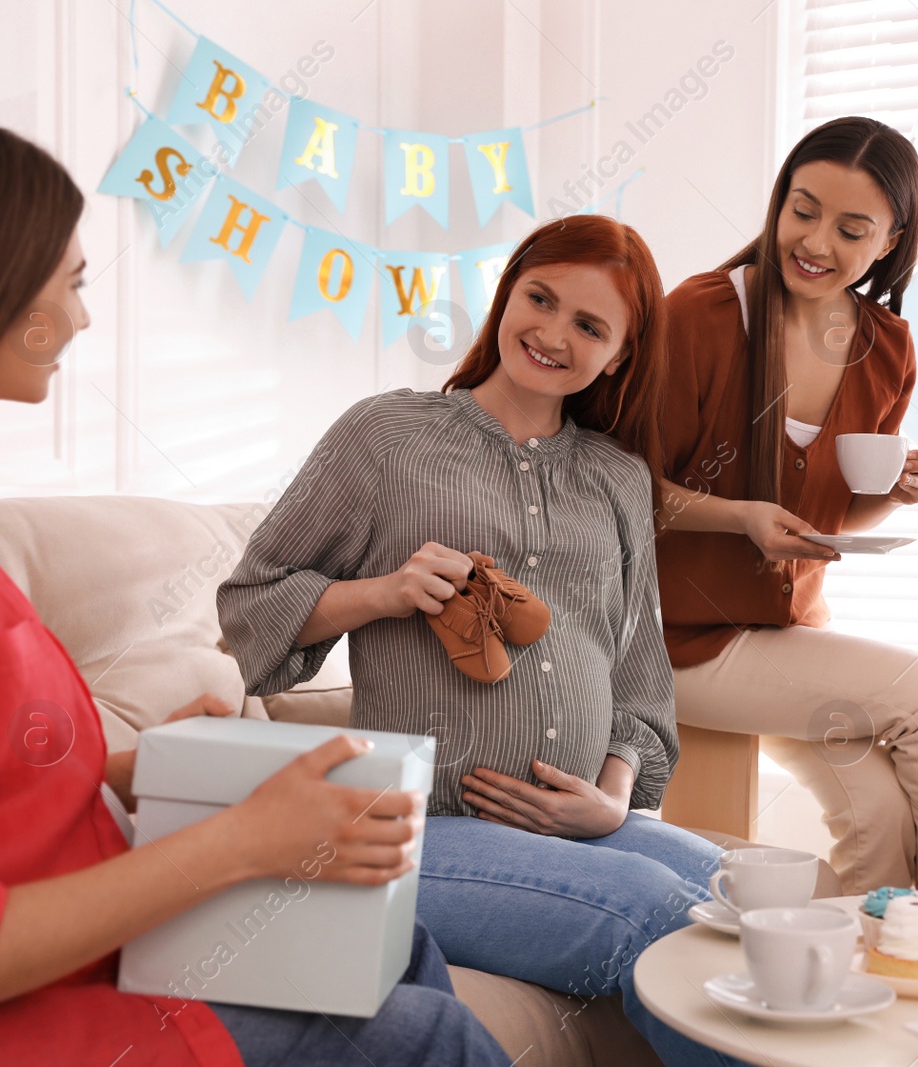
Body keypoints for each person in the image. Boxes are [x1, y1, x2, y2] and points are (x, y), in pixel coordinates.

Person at [0, 113, 509, 1067]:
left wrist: (131, 772)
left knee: (396, 935)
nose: (81, 317)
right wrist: (243, 841)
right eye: (71, 284)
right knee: (430, 1036)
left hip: (70, 961)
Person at [217, 215, 747, 1067]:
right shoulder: (387, 437)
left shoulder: (616, 477)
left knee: (747, 895)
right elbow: (250, 610)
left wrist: (612, 797)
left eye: (589, 325)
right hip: (419, 824)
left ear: (620, 355)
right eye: (539, 299)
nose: (551, 333)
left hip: (585, 823)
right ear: (507, 294)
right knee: (662, 917)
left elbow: (640, 681)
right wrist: (382, 592)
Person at [653, 116, 918, 893]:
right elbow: (627, 488)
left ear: (891, 240)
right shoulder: (699, 315)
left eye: (851, 228)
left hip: (785, 634)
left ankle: (864, 971)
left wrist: (891, 497)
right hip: (678, 641)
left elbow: (824, 526)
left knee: (880, 823)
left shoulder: (887, 345)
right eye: (803, 210)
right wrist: (737, 517)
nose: (816, 242)